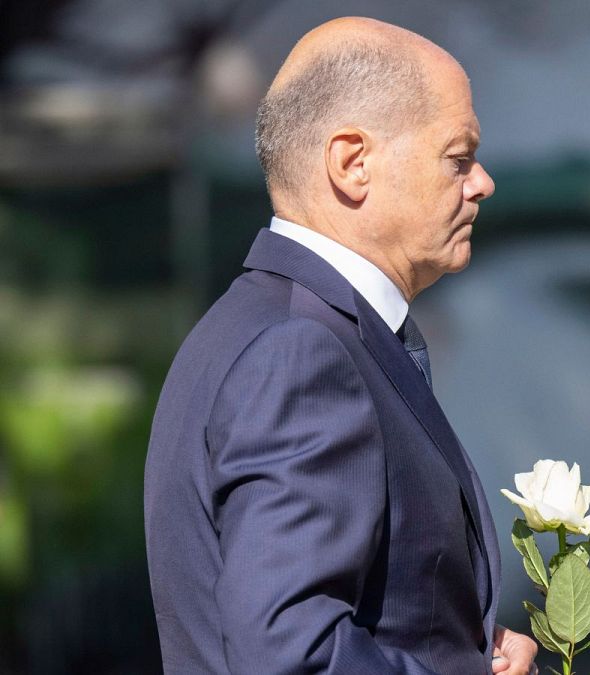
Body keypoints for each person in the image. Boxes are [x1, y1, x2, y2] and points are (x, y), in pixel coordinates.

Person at [143, 17, 537, 674]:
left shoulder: (266, 326)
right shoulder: (301, 352)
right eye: (458, 157)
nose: (482, 182)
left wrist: (470, 650)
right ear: (352, 163)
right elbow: (290, 654)